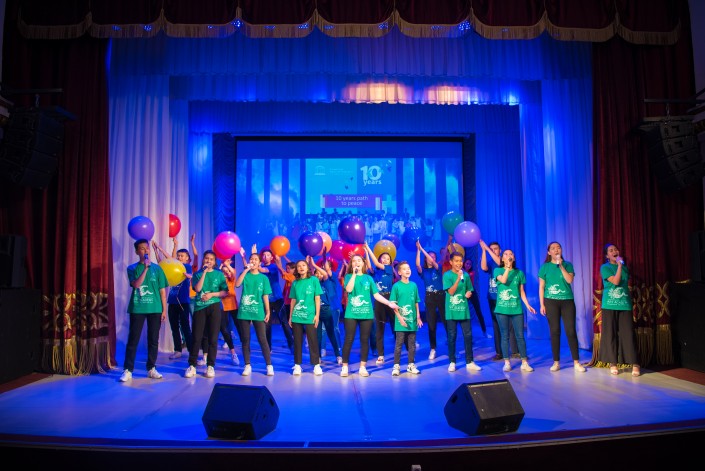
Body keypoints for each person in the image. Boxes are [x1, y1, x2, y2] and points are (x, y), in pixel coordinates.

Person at [340, 254, 398, 377]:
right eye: (354, 261)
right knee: (349, 339)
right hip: (351, 314)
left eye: (359, 260)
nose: (356, 263)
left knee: (365, 340)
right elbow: (349, 290)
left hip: (366, 313)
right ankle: (345, 367)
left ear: (363, 263)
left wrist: (389, 303)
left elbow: (376, 295)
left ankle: (363, 367)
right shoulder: (349, 276)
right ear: (351, 264)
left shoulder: (368, 278)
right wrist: (354, 275)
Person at [120, 239, 168, 382]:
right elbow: (136, 284)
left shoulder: (158, 269)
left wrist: (164, 310)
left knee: (153, 339)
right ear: (137, 252)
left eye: (147, 248)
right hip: (138, 308)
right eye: (142, 248)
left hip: (155, 308)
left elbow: (162, 292)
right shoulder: (132, 268)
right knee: (133, 339)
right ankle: (128, 370)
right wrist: (146, 269)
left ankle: (151, 368)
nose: (146, 251)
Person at [538, 241, 586, 372]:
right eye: (553, 248)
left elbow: (569, 280)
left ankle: (576, 362)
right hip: (550, 301)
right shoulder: (545, 267)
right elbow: (541, 287)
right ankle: (556, 362)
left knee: (570, 331)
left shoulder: (567, 265)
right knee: (555, 331)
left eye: (558, 247)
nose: (556, 250)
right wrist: (542, 304)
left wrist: (561, 266)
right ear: (549, 252)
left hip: (567, 301)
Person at [597, 243, 640, 377]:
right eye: (611, 250)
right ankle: (613, 363)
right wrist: (619, 266)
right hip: (609, 305)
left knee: (628, 334)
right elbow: (615, 282)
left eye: (616, 249)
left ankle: (635, 363)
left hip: (624, 304)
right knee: (610, 334)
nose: (614, 252)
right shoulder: (605, 267)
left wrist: (621, 266)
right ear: (607, 255)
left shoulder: (625, 268)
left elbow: (623, 282)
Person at [184, 250, 227, 379]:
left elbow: (224, 292)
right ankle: (192, 365)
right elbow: (197, 289)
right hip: (200, 307)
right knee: (196, 337)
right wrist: (203, 272)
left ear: (214, 262)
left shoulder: (219, 274)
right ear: (203, 260)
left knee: (213, 338)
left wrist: (212, 295)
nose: (209, 261)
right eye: (207, 258)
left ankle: (210, 366)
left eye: (211, 259)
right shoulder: (197, 274)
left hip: (214, 307)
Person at [152, 235, 197, 360]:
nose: (179, 258)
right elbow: (162, 265)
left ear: (187, 258)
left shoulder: (186, 267)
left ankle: (191, 350)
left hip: (183, 302)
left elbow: (170, 259)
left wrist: (160, 248)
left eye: (182, 256)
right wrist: (156, 251)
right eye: (178, 256)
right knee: (174, 327)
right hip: (172, 302)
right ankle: (178, 350)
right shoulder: (174, 267)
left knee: (185, 327)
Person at [494, 248, 536, 372]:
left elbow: (521, 291)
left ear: (514, 258)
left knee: (520, 336)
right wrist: (507, 267)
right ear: (502, 258)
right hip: (502, 309)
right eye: (506, 254)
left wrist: (527, 305)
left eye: (511, 254)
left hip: (516, 309)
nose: (508, 255)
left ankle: (524, 362)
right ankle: (507, 362)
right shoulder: (498, 270)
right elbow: (503, 280)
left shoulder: (519, 273)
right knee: (505, 335)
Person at [235, 252, 275, 376]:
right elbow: (237, 284)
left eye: (256, 259)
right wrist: (245, 270)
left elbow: (265, 296)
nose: (253, 261)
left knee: (262, 339)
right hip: (244, 311)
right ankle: (247, 365)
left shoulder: (263, 278)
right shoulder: (245, 275)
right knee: (245, 339)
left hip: (258, 311)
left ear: (259, 263)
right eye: (251, 259)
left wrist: (268, 311)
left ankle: (269, 365)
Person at [443, 251, 482, 373]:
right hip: (451, 311)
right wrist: (458, 279)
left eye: (460, 261)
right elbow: (451, 292)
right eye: (456, 261)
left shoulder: (466, 275)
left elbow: (470, 289)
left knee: (468, 336)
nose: (459, 263)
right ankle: (452, 362)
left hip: (464, 310)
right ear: (451, 262)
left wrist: (469, 293)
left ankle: (470, 362)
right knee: (452, 336)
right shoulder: (447, 275)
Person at [480, 239, 518, 360]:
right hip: (492, 297)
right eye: (491, 249)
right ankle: (499, 352)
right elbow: (483, 267)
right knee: (496, 325)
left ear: (500, 250)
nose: (493, 251)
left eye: (495, 249)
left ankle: (515, 351)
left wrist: (487, 248)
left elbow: (499, 262)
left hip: (504, 297)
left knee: (510, 325)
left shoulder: (504, 261)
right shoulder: (491, 262)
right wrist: (484, 250)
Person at [288, 258, 323, 376]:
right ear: (297, 270)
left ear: (307, 268)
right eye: (299, 266)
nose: (301, 267)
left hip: (310, 316)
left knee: (313, 341)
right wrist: (290, 316)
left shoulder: (314, 280)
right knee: (297, 341)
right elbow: (293, 300)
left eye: (303, 265)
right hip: (297, 316)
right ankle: (297, 365)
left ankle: (316, 365)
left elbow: (317, 299)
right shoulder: (295, 283)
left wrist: (317, 315)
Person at [364, 242, 396, 366]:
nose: (385, 260)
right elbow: (369, 266)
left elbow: (376, 264)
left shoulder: (389, 269)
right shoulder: (376, 272)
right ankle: (381, 355)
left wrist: (368, 248)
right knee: (379, 328)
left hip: (389, 298)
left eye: (387, 258)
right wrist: (366, 252)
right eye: (383, 258)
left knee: (396, 326)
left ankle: (403, 348)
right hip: (379, 300)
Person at [258, 246, 294, 354]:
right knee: (267, 324)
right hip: (266, 300)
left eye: (268, 255)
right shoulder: (260, 267)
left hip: (277, 298)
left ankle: (292, 345)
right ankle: (268, 347)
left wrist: (256, 262)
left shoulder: (273, 267)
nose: (265, 257)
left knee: (284, 322)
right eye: (264, 255)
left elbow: (263, 270)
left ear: (271, 257)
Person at [390, 261, 423, 376]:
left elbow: (416, 302)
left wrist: (418, 316)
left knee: (412, 344)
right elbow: (393, 304)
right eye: (404, 269)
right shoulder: (396, 286)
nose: (407, 270)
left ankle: (411, 365)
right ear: (399, 272)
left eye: (408, 268)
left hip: (412, 320)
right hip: (401, 321)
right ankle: (396, 366)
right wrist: (400, 318)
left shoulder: (413, 285)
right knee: (399, 344)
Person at [415, 240, 445, 360]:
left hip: (441, 296)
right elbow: (417, 265)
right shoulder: (424, 271)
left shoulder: (438, 268)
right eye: (429, 256)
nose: (431, 258)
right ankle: (433, 348)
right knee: (431, 324)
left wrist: (422, 249)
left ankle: (452, 348)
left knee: (447, 322)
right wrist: (418, 250)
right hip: (429, 297)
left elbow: (433, 262)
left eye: (434, 257)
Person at [311, 256, 342, 365]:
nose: (318, 275)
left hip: (327, 310)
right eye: (316, 273)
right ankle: (318, 357)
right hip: (316, 312)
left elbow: (325, 274)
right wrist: (311, 265)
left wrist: (314, 265)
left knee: (331, 333)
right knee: (318, 335)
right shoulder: (314, 285)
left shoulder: (326, 282)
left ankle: (338, 355)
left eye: (319, 273)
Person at [219, 256, 240, 365]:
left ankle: (245, 345)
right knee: (224, 327)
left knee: (238, 325)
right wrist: (221, 267)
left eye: (227, 271)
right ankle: (230, 347)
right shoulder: (219, 279)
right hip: (222, 306)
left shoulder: (231, 278)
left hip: (232, 305)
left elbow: (233, 273)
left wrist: (227, 265)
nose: (226, 272)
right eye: (224, 271)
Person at [463, 258, 488, 338]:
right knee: (463, 313)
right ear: (464, 264)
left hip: (472, 292)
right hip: (464, 293)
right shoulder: (461, 272)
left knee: (478, 312)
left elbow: (467, 275)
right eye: (467, 263)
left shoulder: (471, 273)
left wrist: (480, 261)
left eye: (470, 264)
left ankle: (484, 332)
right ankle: (467, 334)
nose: (468, 265)